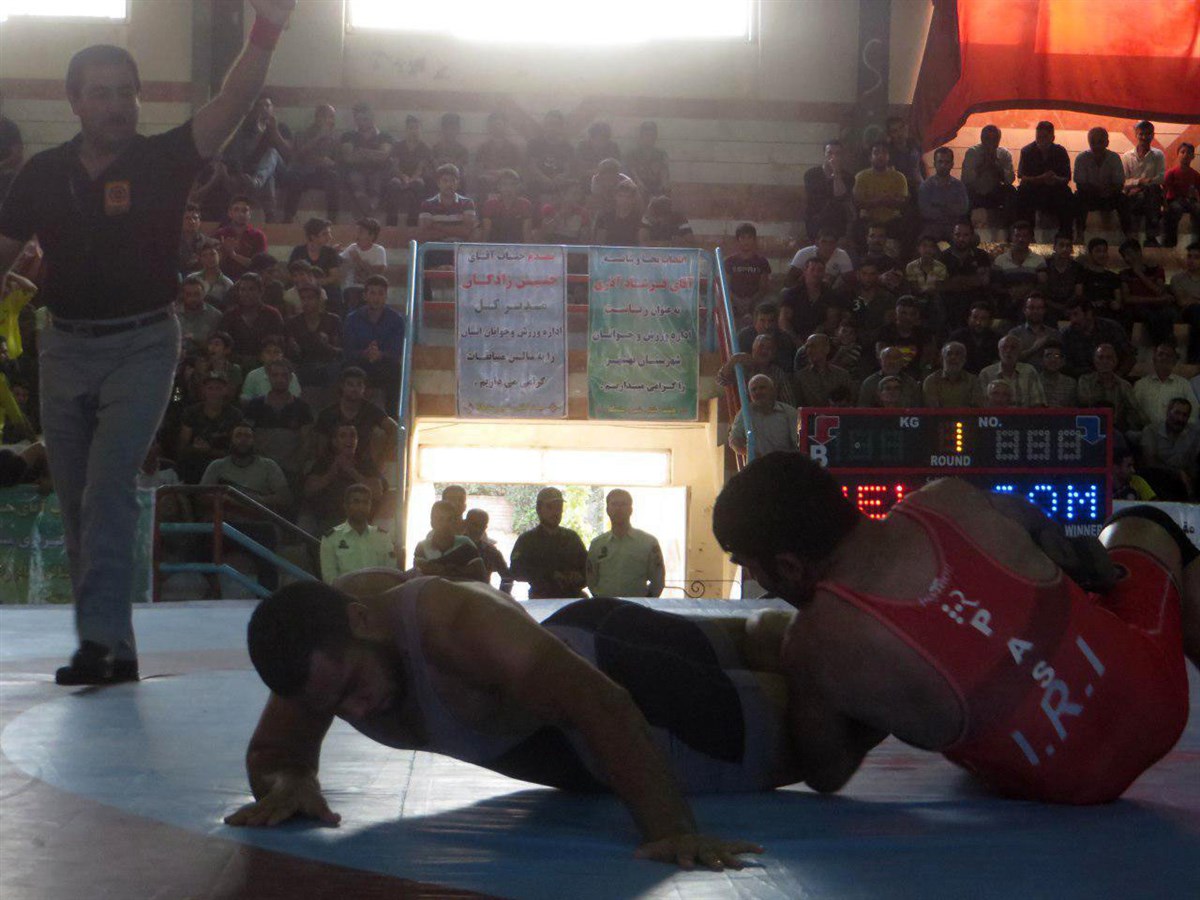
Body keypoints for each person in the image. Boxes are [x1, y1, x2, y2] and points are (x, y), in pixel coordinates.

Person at [713, 452, 1199, 804]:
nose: (754, 577)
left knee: (978, 724)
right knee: (1144, 523)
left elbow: (826, 774)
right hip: (1154, 700)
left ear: (788, 565)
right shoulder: (948, 499)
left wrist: (882, 708)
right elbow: (1057, 544)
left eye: (747, 564)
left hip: (1073, 783)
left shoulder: (813, 644)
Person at [227, 577, 787, 868]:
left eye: (353, 688)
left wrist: (670, 831)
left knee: (818, 739)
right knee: (752, 646)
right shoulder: (322, 652)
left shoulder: (448, 622)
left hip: (627, 686)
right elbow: (273, 754)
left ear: (363, 621)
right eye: (334, 708)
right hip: (571, 644)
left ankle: (811, 625)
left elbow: (599, 704)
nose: (356, 712)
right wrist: (291, 781)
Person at [199, 422, 292, 590]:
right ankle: (210, 593)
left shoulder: (268, 466)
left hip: (258, 526)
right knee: (202, 537)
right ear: (231, 440)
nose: (243, 440)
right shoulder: (217, 466)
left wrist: (251, 500)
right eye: (239, 435)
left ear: (254, 440)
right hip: (225, 525)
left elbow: (284, 498)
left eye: (247, 436)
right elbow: (202, 496)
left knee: (267, 542)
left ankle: (267, 597)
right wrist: (226, 500)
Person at [303, 422, 384, 536]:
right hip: (328, 521)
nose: (349, 439)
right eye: (343, 436)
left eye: (352, 435)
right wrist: (331, 473)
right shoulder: (324, 462)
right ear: (335, 442)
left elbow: (377, 492)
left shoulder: (365, 464)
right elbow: (308, 490)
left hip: (359, 522)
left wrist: (351, 471)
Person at [509, 487, 588, 599]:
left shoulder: (572, 538)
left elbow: (588, 569)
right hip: (541, 599)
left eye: (559, 507)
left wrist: (577, 578)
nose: (555, 512)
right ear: (539, 509)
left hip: (571, 599)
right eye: (550, 507)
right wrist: (548, 575)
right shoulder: (527, 540)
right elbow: (516, 571)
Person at [342, 273, 404, 413]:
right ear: (365, 296)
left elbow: (397, 351)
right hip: (359, 363)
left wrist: (380, 354)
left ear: (386, 296)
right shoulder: (352, 319)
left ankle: (392, 417)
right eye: (372, 293)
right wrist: (365, 354)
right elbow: (348, 350)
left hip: (384, 365)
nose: (376, 298)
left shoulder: (396, 320)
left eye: (380, 293)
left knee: (396, 371)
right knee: (345, 369)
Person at [586, 490, 665, 598]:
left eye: (623, 504)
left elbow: (658, 580)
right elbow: (591, 580)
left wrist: (646, 603)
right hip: (605, 605)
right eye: (614, 504)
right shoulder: (597, 544)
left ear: (631, 509)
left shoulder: (648, 543)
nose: (618, 508)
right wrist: (600, 601)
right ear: (607, 510)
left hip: (637, 605)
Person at [319, 483, 397, 583]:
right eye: (356, 502)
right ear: (345, 506)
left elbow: (391, 573)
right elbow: (330, 580)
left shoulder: (382, 537)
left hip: (379, 591)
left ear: (370, 506)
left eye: (365, 502)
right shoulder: (331, 539)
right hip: (343, 593)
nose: (361, 507)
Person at [280, 103, 340, 224]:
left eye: (332, 117)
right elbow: (299, 154)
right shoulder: (303, 133)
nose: (331, 120)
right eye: (328, 116)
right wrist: (319, 137)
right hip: (303, 171)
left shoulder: (335, 137)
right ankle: (288, 217)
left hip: (321, 174)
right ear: (318, 117)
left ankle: (332, 220)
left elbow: (337, 160)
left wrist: (329, 162)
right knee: (296, 176)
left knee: (334, 177)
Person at [1015, 121, 1073, 238]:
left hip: (1054, 190)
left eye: (1044, 137)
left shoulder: (1060, 152)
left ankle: (1065, 235)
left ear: (1052, 138)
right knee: (1022, 192)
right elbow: (1021, 176)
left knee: (1067, 194)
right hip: (1034, 190)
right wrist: (1040, 178)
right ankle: (1027, 234)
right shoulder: (1027, 151)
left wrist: (1055, 179)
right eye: (1039, 137)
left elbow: (1066, 178)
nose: (1041, 140)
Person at [1073, 127, 1130, 242]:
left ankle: (1128, 236)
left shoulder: (1114, 158)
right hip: (1090, 197)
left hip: (1110, 196)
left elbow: (1119, 183)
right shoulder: (1081, 158)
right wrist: (1098, 190)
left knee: (1123, 200)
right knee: (1078, 198)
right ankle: (1079, 235)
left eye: (1100, 142)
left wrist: (1108, 191)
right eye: (1093, 142)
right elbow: (1080, 184)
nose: (1096, 146)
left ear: (1107, 143)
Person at [339, 102, 393, 219]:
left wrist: (361, 152)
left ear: (372, 118)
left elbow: (383, 156)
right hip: (355, 174)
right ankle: (370, 219)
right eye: (358, 119)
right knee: (356, 184)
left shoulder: (385, 136)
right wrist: (373, 154)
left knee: (377, 184)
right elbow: (348, 157)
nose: (362, 122)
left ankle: (367, 219)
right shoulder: (348, 136)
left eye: (365, 119)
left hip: (378, 173)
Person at [1077, 343, 1145, 435]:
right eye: (1100, 357)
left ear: (1115, 361)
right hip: (1091, 427)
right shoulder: (1085, 381)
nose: (1105, 361)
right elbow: (1084, 406)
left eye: (1109, 358)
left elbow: (1134, 412)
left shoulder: (1124, 385)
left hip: (1118, 429)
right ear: (1094, 361)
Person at [936, 219, 992, 330]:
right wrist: (971, 280)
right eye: (958, 235)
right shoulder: (942, 257)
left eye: (966, 235)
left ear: (971, 236)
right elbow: (940, 285)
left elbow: (984, 281)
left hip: (976, 306)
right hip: (949, 308)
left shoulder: (981, 255)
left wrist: (955, 280)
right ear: (952, 236)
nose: (961, 239)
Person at [413, 499, 486, 581]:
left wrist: (436, 569)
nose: (445, 524)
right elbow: (419, 580)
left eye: (449, 519)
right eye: (440, 519)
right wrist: (457, 571)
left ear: (455, 522)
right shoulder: (422, 547)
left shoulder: (466, 544)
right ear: (432, 522)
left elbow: (480, 578)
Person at [1139, 398, 1200, 497]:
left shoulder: (1194, 434)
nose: (1180, 419)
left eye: (1184, 415)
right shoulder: (1151, 431)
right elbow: (1149, 462)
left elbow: (1194, 464)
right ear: (1168, 412)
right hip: (1157, 481)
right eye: (1177, 413)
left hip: (1185, 484)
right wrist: (1177, 473)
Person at [728, 374, 799, 460]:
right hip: (758, 464)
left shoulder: (789, 412)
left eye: (762, 388)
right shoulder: (745, 413)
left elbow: (799, 443)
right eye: (754, 389)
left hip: (786, 463)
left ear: (772, 391)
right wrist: (749, 452)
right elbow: (734, 440)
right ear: (750, 394)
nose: (758, 392)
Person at [852, 141, 908, 247]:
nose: (880, 156)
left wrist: (888, 201)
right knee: (856, 228)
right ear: (870, 157)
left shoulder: (899, 177)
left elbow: (903, 203)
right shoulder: (861, 177)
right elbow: (858, 203)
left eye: (884, 152)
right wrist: (878, 201)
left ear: (889, 156)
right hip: (867, 221)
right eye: (876, 153)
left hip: (892, 221)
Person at [717, 333, 796, 407]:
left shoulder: (778, 373)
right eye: (761, 346)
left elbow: (789, 402)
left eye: (769, 348)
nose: (764, 351)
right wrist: (733, 360)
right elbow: (721, 381)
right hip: (745, 413)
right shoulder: (742, 368)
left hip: (771, 414)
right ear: (753, 349)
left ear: (773, 354)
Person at [383, 114, 432, 228]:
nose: (413, 131)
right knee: (393, 184)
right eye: (411, 128)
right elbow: (395, 166)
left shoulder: (425, 148)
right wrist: (403, 177)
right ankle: (391, 224)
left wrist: (411, 180)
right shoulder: (398, 146)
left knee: (418, 185)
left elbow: (420, 168)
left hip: (417, 176)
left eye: (416, 128)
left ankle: (412, 224)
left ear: (420, 130)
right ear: (406, 130)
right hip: (399, 175)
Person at [960, 124, 1015, 227]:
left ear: (999, 140)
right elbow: (965, 179)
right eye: (987, 139)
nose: (991, 142)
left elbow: (1010, 179)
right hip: (976, 192)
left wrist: (997, 167)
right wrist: (982, 167)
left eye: (994, 139)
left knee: (1011, 191)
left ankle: (1010, 228)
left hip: (994, 192)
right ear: (982, 139)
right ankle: (964, 227)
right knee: (964, 192)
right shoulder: (973, 153)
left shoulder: (1004, 154)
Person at [1122, 120, 1166, 247]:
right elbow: (1123, 181)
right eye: (1141, 134)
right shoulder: (1127, 156)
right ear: (1136, 135)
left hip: (1149, 193)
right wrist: (1139, 182)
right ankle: (1151, 236)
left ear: (1153, 135)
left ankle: (1136, 238)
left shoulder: (1158, 155)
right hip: (1132, 195)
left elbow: (1161, 178)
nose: (1144, 137)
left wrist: (1140, 186)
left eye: (1148, 134)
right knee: (1148, 194)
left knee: (1152, 190)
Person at [1132, 343, 1198, 426]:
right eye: (1160, 354)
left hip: (1177, 431)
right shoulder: (1141, 385)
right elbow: (1133, 411)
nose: (1164, 358)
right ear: (1154, 359)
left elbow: (1194, 411)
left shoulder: (1184, 384)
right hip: (1146, 431)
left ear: (1174, 361)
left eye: (1168, 355)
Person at [803, 139, 856, 242]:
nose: (833, 157)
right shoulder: (811, 175)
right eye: (830, 153)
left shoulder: (848, 177)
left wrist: (836, 173)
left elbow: (840, 196)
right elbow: (814, 200)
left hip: (838, 220)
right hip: (816, 219)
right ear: (824, 154)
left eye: (837, 154)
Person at [288, 217, 342, 311]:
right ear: (313, 237)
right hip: (300, 286)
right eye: (325, 234)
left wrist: (316, 282)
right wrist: (303, 282)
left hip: (323, 287)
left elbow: (334, 277)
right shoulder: (298, 251)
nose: (330, 237)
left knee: (334, 293)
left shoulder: (330, 252)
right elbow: (290, 273)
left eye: (329, 233)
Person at [722, 223, 772, 325]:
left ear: (754, 240)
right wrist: (737, 301)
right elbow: (725, 286)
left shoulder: (762, 261)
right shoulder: (729, 261)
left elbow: (763, 288)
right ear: (738, 240)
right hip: (733, 303)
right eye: (743, 238)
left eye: (749, 237)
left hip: (756, 303)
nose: (746, 241)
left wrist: (750, 302)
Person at [979, 334, 1046, 408]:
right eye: (1004, 347)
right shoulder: (986, 373)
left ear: (1019, 351)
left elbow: (1038, 402)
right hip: (995, 414)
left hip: (1024, 415)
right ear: (999, 351)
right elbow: (982, 404)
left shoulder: (1029, 371)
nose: (1008, 350)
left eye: (1013, 347)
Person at [917, 147, 969, 242]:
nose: (943, 165)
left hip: (954, 227)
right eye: (940, 162)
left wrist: (939, 207)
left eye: (947, 162)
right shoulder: (926, 186)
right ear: (934, 164)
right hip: (932, 226)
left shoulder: (959, 186)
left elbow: (963, 208)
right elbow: (925, 211)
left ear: (952, 164)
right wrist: (949, 208)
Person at [214, 195, 269, 280]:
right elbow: (211, 263)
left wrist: (233, 255)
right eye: (236, 210)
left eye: (245, 210)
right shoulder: (220, 234)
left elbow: (260, 265)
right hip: (223, 280)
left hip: (250, 281)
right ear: (230, 213)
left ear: (250, 214)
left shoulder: (258, 236)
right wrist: (224, 251)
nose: (241, 214)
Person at [793, 333, 855, 408]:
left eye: (813, 346)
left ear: (826, 349)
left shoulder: (842, 376)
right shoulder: (800, 378)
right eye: (807, 347)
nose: (809, 351)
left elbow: (850, 404)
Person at [736, 300, 797, 372]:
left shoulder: (785, 340)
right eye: (762, 321)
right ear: (755, 322)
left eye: (771, 321)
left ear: (777, 322)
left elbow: (788, 368)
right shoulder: (744, 337)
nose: (767, 326)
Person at [786, 229, 855, 291]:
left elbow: (851, 282)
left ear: (836, 244)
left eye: (831, 242)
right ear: (816, 243)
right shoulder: (803, 253)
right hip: (804, 290)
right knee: (785, 291)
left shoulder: (842, 255)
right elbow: (789, 281)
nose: (828, 246)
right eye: (824, 242)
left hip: (830, 292)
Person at [464, 508, 513, 593]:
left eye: (481, 526)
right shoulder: (453, 546)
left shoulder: (490, 551)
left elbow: (507, 578)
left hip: (481, 596)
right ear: (466, 523)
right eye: (474, 525)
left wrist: (501, 596)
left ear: (485, 527)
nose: (477, 529)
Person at [923, 341, 984, 408]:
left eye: (957, 354)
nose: (953, 357)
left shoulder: (973, 381)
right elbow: (933, 409)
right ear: (942, 359)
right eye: (949, 354)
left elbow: (977, 407)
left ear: (964, 360)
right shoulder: (931, 381)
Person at [479, 168, 533, 244]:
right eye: (504, 184)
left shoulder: (525, 204)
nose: (508, 188)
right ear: (498, 187)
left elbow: (527, 234)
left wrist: (527, 250)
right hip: (495, 244)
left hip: (517, 245)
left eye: (512, 184)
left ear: (518, 187)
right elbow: (486, 232)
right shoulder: (490, 204)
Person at [857, 345, 922, 408]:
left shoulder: (911, 384)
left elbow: (918, 409)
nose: (891, 362)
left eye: (895, 358)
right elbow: (863, 409)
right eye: (887, 358)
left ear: (902, 362)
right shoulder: (869, 383)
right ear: (880, 361)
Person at [948, 300, 1001, 374]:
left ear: (990, 321)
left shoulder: (997, 339)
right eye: (975, 317)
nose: (978, 322)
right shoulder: (957, 337)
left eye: (983, 319)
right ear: (969, 318)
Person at [1163, 143, 1200, 249]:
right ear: (1178, 154)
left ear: (1193, 156)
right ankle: (1170, 242)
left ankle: (1197, 242)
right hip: (1174, 200)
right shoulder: (1171, 172)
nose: (1185, 155)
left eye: (1189, 153)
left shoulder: (1195, 174)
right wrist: (1164, 205)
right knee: (1175, 209)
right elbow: (1164, 190)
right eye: (1182, 152)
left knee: (1198, 209)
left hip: (1190, 200)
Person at [177, 275, 223, 355]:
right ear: (182, 295)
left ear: (204, 294)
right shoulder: (174, 314)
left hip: (205, 357)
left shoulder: (215, 316)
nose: (193, 299)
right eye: (188, 294)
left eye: (197, 294)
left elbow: (219, 345)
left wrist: (197, 340)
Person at [625, 120, 670, 198]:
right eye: (646, 135)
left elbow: (664, 171)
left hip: (656, 187)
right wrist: (639, 184)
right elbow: (632, 171)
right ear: (641, 136)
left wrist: (664, 185)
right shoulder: (632, 154)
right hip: (638, 187)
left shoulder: (661, 154)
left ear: (655, 137)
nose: (649, 138)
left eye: (652, 135)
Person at [1038, 340, 1078, 408]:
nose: (1053, 360)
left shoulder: (1071, 383)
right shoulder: (1034, 382)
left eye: (1057, 356)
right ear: (1041, 360)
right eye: (1048, 355)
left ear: (1062, 361)